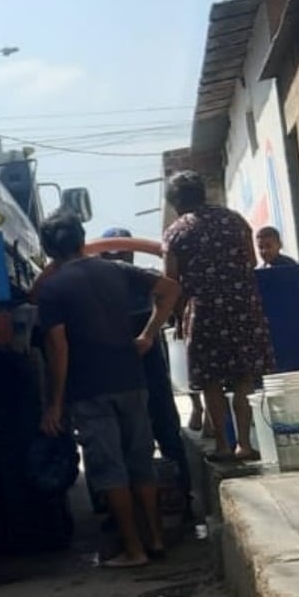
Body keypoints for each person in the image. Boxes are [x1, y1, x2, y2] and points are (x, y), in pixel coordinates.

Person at [36, 213, 183, 568]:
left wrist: (55, 403)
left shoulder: (53, 289)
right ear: (81, 239)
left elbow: (59, 348)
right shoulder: (115, 270)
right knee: (140, 461)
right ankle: (156, 539)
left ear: (48, 248)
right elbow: (170, 289)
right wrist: (148, 335)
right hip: (131, 379)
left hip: (89, 388)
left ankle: (133, 551)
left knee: (109, 469)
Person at [163, 172, 276, 462]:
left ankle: (223, 446)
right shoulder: (234, 220)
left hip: (203, 313)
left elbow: (171, 281)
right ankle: (244, 444)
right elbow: (251, 261)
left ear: (176, 203)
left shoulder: (176, 232)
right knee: (243, 378)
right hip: (242, 306)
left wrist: (177, 316)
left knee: (211, 380)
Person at [92, 229, 192, 522]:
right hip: (139, 368)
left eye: (121, 254)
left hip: (131, 370)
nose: (118, 259)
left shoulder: (111, 282)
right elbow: (171, 291)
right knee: (153, 433)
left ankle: (126, 510)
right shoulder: (138, 278)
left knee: (130, 438)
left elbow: (171, 291)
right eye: (113, 255)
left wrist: (147, 335)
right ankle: (176, 499)